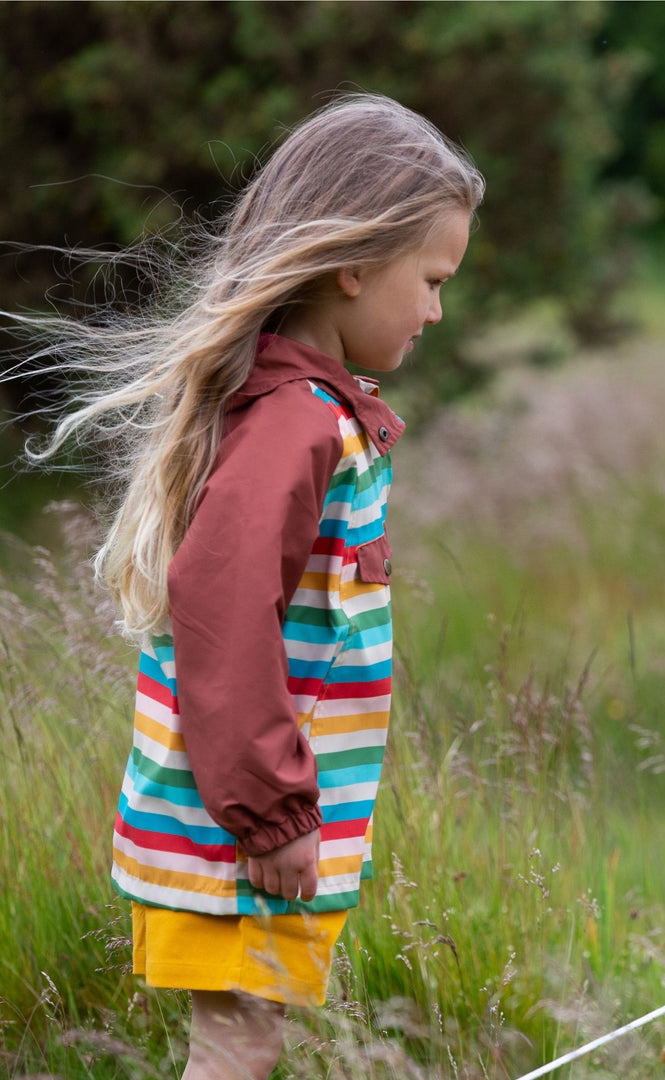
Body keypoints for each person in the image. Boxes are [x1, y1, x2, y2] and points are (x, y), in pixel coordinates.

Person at [12, 94, 484, 1079]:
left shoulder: (313, 410)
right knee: (237, 1045)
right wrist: (271, 814)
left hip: (242, 825)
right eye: (431, 280)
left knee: (247, 1041)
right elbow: (221, 610)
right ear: (352, 265)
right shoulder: (297, 420)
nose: (438, 310)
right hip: (237, 831)